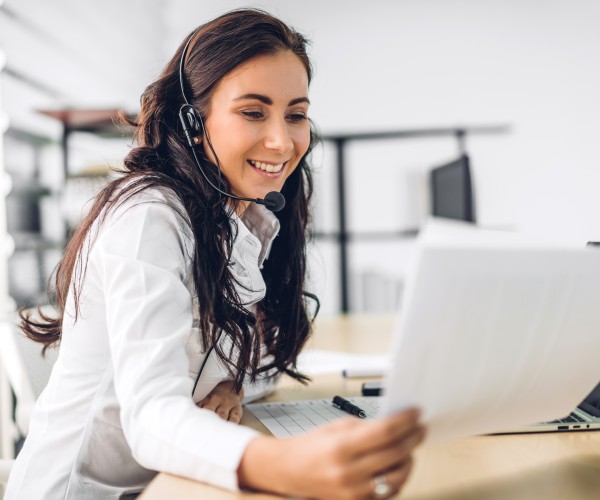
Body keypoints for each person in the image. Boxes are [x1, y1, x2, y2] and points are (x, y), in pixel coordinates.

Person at [5, 8, 424, 500]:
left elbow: (236, 355)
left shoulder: (237, 217)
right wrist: (284, 463)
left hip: (167, 485)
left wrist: (231, 385)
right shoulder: (148, 218)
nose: (282, 140)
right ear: (193, 120)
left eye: (296, 114)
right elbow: (150, 416)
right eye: (253, 112)